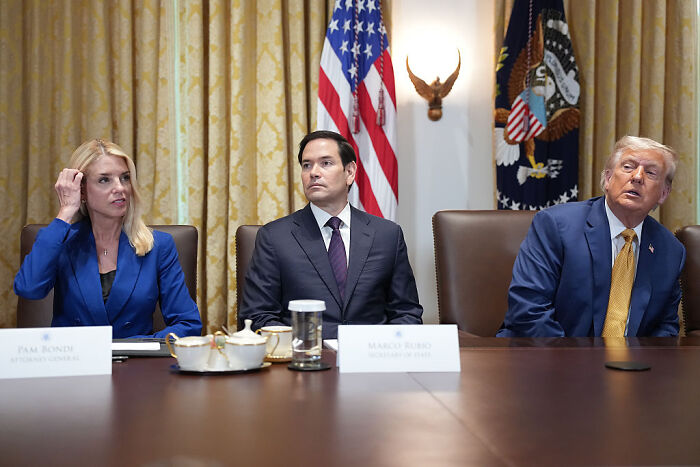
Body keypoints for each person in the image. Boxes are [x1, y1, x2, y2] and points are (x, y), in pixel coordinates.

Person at [239, 130, 423, 339]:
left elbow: (406, 312)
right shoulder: (275, 237)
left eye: (325, 163)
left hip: (371, 360)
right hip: (304, 362)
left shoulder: (387, 235)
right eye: (307, 165)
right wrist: (307, 349)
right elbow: (258, 315)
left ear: (350, 172)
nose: (313, 173)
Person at [498, 135, 685, 337]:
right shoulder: (555, 226)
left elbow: (665, 329)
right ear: (607, 179)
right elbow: (529, 312)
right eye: (628, 167)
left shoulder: (671, 251)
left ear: (664, 193)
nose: (637, 177)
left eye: (650, 172)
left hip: (628, 365)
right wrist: (577, 365)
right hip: (547, 356)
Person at [14, 139, 202, 338]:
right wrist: (66, 211)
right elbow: (29, 289)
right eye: (104, 180)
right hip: (75, 364)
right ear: (82, 190)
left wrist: (131, 348)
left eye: (125, 178)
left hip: (134, 364)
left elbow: (188, 324)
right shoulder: (62, 241)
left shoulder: (158, 246)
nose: (120, 188)